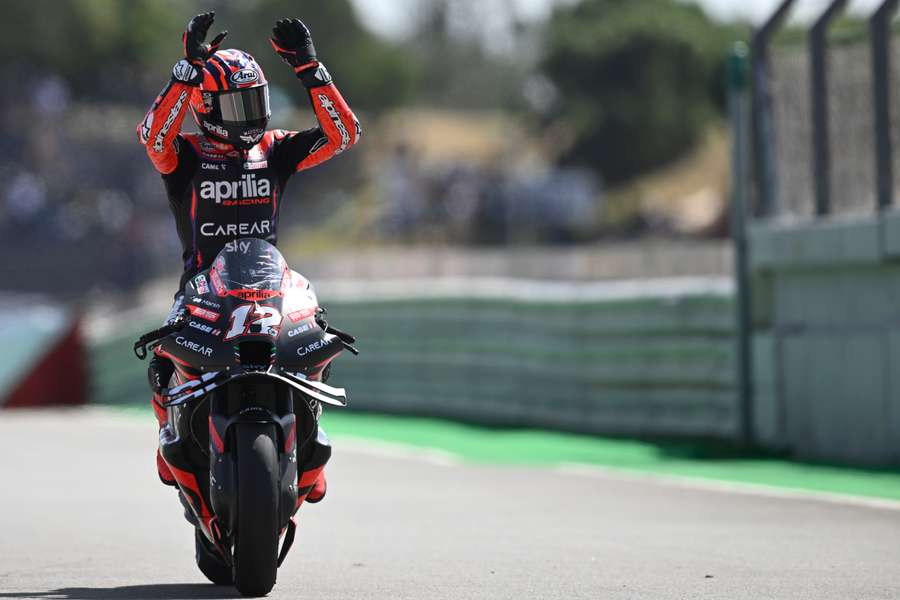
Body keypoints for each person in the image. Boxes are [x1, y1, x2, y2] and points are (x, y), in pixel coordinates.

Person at [137, 12, 360, 507]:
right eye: (237, 103)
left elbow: (343, 134)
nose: (249, 113)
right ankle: (166, 440)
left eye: (254, 101)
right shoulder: (186, 156)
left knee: (315, 344)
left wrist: (311, 70)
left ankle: (308, 446)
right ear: (207, 107)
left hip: (271, 286)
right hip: (203, 290)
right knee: (162, 363)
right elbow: (152, 136)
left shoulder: (275, 149)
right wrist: (186, 72)